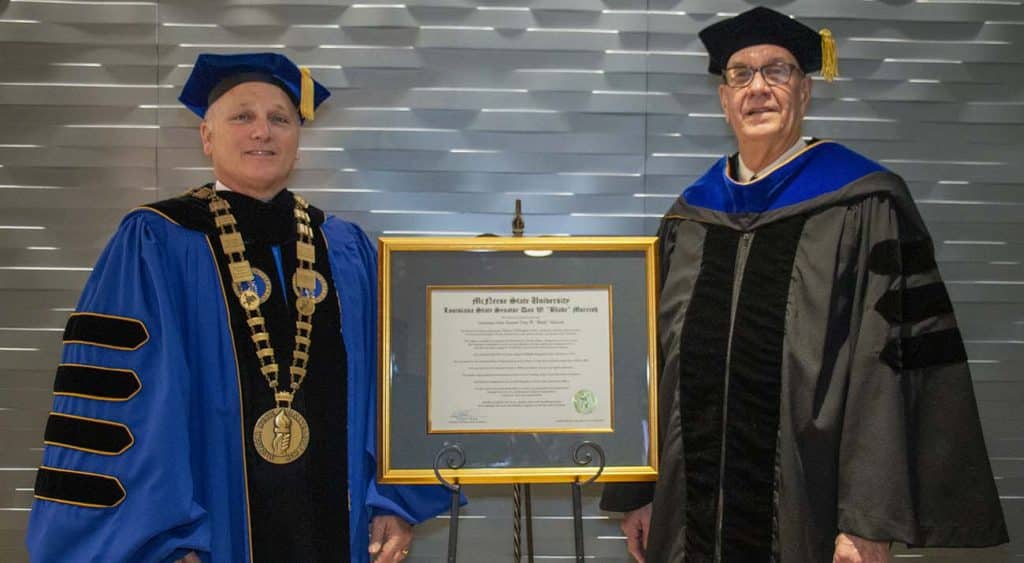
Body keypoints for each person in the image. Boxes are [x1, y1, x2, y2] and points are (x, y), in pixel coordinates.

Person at [600, 7, 1009, 563]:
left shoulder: (863, 205)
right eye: (740, 74)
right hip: (687, 517)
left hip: (809, 514)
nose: (758, 88)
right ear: (724, 100)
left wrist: (866, 521)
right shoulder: (688, 221)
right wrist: (637, 492)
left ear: (805, 91)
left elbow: (885, 374)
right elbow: (650, 363)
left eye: (778, 71)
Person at [25, 52, 452, 562]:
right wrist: (161, 542)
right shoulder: (157, 241)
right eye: (242, 117)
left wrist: (393, 501)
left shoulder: (344, 246)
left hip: (340, 525)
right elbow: (123, 402)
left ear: (297, 140)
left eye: (280, 119)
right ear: (207, 136)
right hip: (205, 528)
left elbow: (394, 383)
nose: (262, 133)